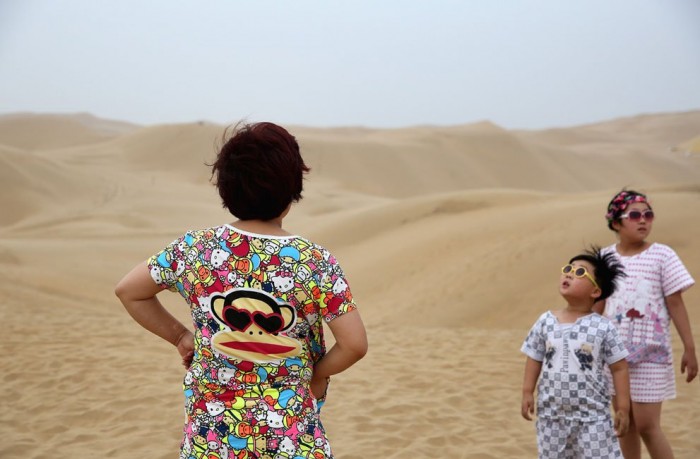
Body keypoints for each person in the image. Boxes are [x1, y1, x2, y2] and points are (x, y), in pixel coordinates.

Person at [115, 122, 368, 459]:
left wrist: (179, 337)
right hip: (294, 442)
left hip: (210, 442)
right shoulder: (315, 262)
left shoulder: (195, 249)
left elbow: (129, 291)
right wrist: (316, 374)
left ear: (225, 189)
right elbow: (354, 344)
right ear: (292, 190)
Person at [593, 189, 697, 459]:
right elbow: (598, 303)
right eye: (635, 215)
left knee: (648, 426)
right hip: (614, 358)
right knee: (624, 423)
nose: (644, 221)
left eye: (648, 215)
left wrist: (689, 347)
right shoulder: (605, 258)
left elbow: (675, 303)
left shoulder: (662, 255)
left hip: (651, 353)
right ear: (616, 223)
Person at [521, 246, 630, 458]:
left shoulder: (603, 327)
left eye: (580, 272)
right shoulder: (546, 321)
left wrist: (623, 408)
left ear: (595, 292)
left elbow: (619, 368)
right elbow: (534, 356)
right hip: (551, 416)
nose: (569, 273)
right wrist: (527, 391)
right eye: (568, 269)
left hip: (592, 416)